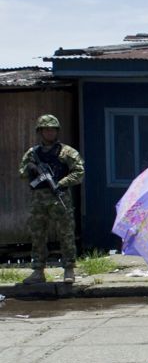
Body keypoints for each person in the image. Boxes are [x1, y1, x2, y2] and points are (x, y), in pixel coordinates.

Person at [18, 114, 85, 284]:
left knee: (66, 233)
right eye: (46, 130)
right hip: (39, 201)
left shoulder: (66, 152)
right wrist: (32, 169)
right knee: (37, 235)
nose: (49, 133)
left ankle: (69, 269)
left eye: (52, 130)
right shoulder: (33, 153)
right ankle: (38, 271)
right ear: (40, 132)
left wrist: (61, 182)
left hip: (59, 198)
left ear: (57, 131)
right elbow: (22, 173)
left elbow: (79, 173)